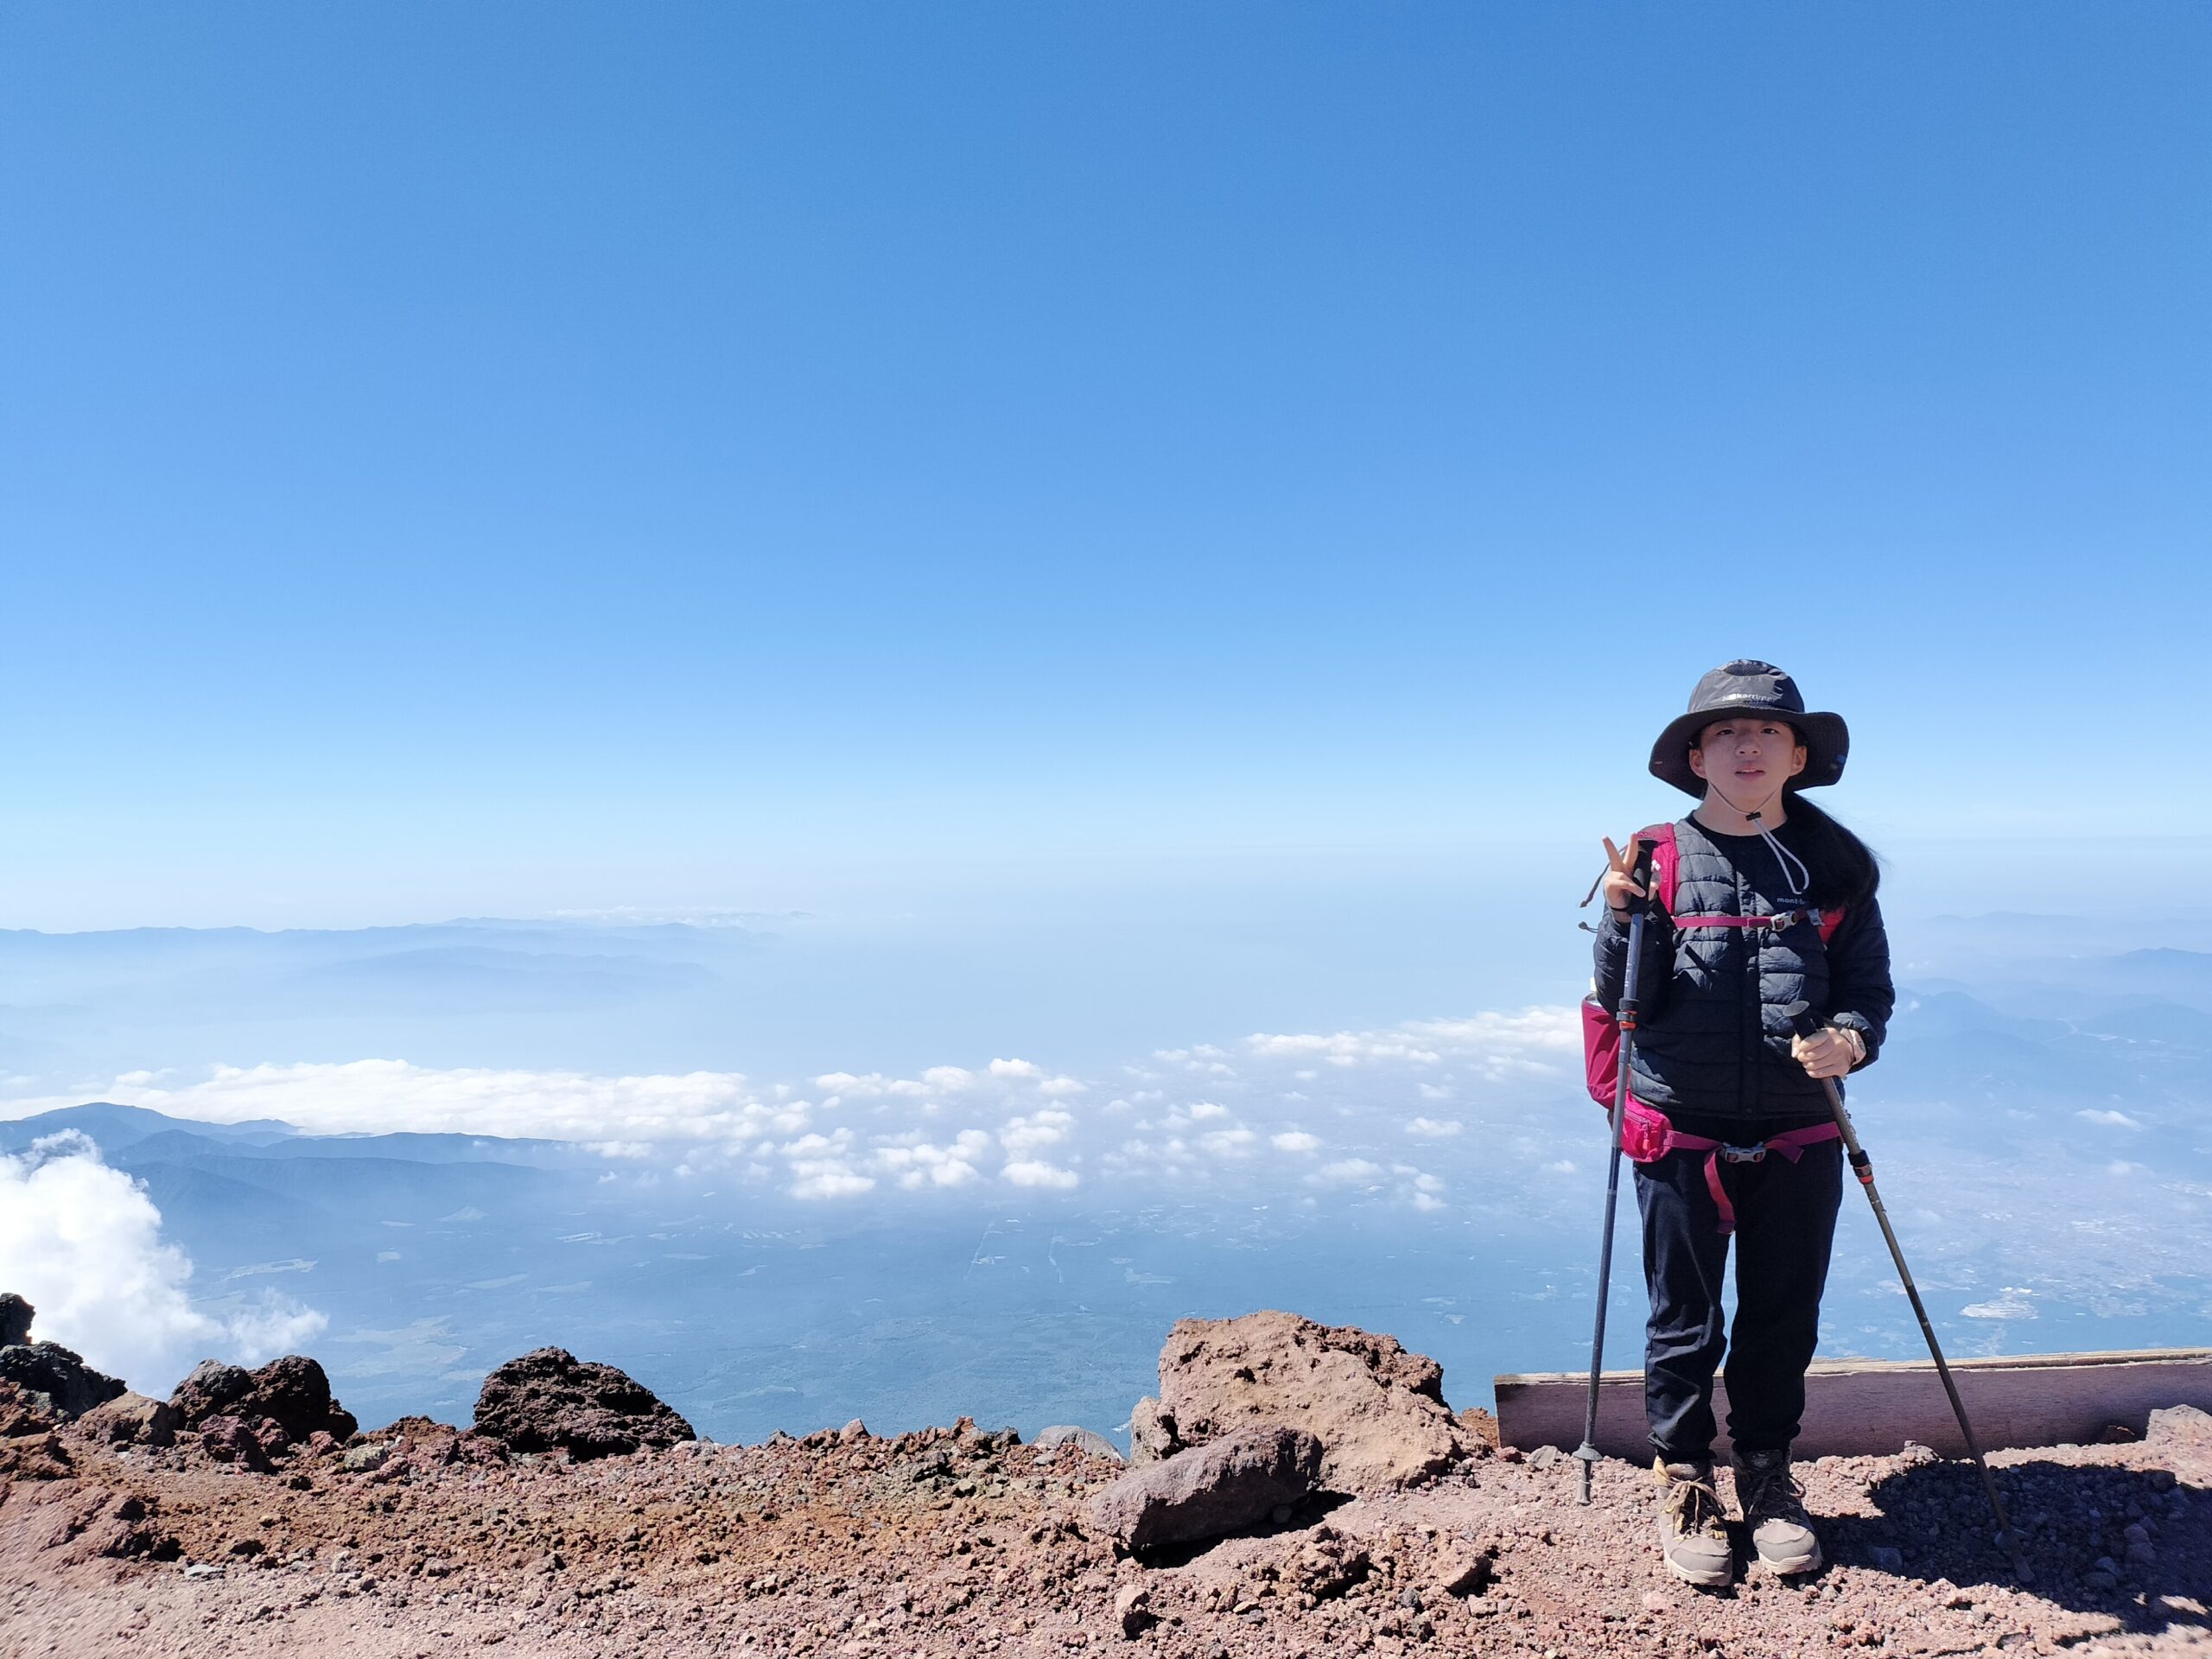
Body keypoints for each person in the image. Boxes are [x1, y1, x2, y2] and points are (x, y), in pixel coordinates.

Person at [1593, 659, 1893, 1586]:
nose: (1747, 745)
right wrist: (1622, 917)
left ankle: (1766, 1473)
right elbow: (1625, 998)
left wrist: (1849, 1040)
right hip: (1679, 1127)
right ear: (1696, 757)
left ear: (1799, 755)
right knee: (1683, 1318)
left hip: (1801, 1129)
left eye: (1767, 731)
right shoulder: (1653, 859)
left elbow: (1868, 992)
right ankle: (1684, 1476)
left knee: (1781, 1315)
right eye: (1724, 731)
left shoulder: (1835, 868)